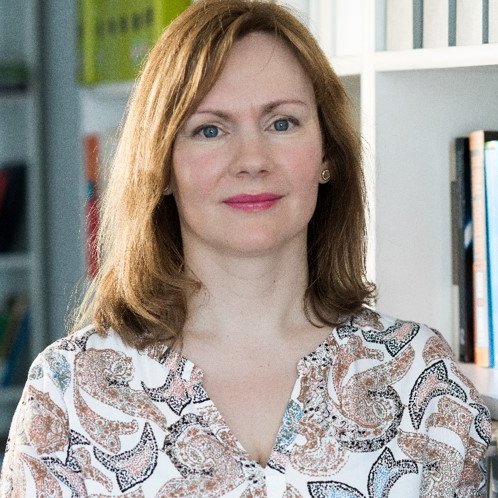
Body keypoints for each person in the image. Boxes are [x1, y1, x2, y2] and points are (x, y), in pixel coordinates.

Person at [0, 0, 491, 496]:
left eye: (282, 123)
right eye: (209, 130)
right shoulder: (68, 391)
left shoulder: (419, 377)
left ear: (327, 155)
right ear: (163, 167)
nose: (252, 159)